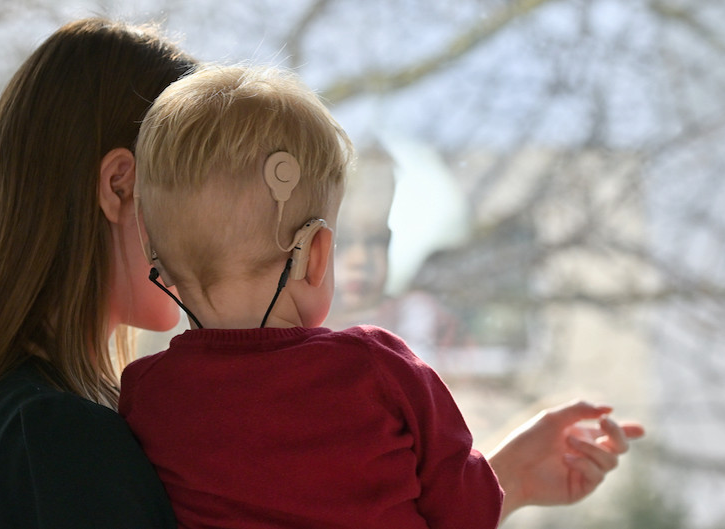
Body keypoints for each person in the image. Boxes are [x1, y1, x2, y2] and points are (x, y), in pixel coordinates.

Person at [122, 64, 644, 528]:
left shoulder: (145, 396)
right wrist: (514, 474)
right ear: (319, 252)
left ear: (156, 260)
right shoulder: (376, 368)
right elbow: (463, 512)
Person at [0, 18, 197, 528]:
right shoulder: (61, 434)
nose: (210, 233)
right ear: (118, 185)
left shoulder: (13, 416)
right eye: (196, 193)